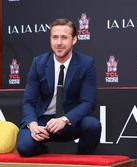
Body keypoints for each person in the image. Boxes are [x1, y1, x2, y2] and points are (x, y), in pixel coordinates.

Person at [17, 18, 101, 157]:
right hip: (42, 121)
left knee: (93, 126)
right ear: (50, 39)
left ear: (74, 40)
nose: (59, 43)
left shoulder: (86, 64)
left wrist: (64, 120)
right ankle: (41, 149)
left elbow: (88, 102)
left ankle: (82, 161)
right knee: (25, 148)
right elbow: (29, 101)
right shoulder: (38, 63)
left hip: (70, 121)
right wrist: (32, 125)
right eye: (55, 37)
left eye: (64, 37)